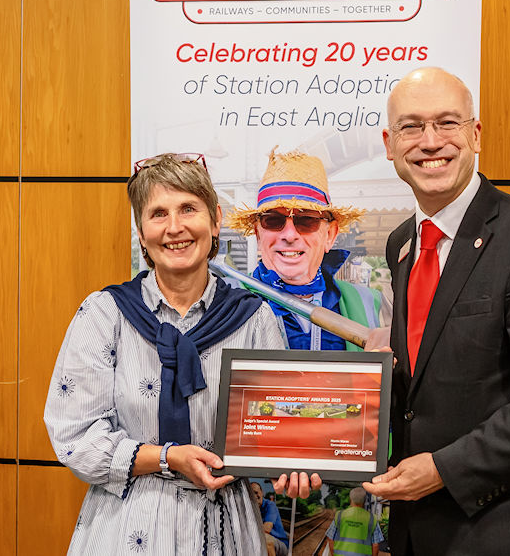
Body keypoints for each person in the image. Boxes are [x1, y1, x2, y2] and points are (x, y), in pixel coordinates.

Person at [363, 68, 510, 555]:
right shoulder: (401, 244)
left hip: (504, 527)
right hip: (418, 529)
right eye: (411, 127)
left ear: (475, 134)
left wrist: (445, 470)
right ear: (390, 144)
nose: (431, 142)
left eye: (447, 123)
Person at [44, 152, 318, 555]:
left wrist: (293, 466)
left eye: (189, 208)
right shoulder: (105, 315)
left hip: (226, 530)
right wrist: (165, 457)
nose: (175, 228)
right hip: (127, 530)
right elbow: (74, 436)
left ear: (215, 219)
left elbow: (282, 431)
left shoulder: (254, 318)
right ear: (141, 231)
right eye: (158, 214)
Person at [228, 148, 382, 351]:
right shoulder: (225, 302)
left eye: (306, 220)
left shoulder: (372, 305)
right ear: (258, 234)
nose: (289, 235)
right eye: (273, 220)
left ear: (330, 235)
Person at [322, 488, 383, 556]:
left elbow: (330, 538)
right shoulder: (372, 518)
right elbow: (375, 545)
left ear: (350, 499)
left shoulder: (340, 515)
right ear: (365, 500)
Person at [250, 481, 289, 556]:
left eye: (256, 492)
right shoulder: (251, 509)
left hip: (280, 544)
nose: (254, 496)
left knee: (265, 538)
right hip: (263, 544)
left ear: (262, 493)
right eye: (251, 494)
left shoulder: (270, 505)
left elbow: (267, 529)